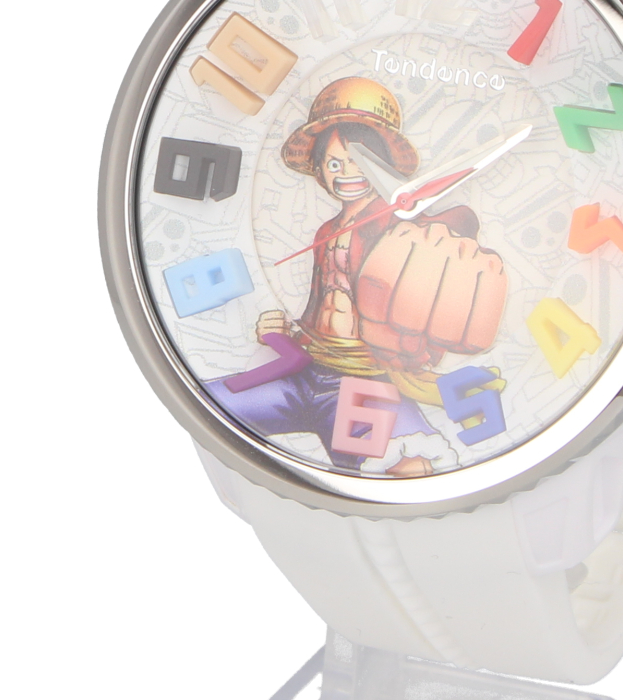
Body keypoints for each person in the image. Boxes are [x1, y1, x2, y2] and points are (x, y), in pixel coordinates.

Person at [207, 77, 507, 475]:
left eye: (361, 161)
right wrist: (284, 332)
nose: (347, 173)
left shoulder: (403, 229)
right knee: (208, 405)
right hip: (307, 371)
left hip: (370, 383)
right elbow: (321, 303)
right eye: (334, 163)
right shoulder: (325, 232)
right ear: (319, 170)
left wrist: (451, 237)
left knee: (410, 469)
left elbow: (448, 237)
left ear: (385, 166)